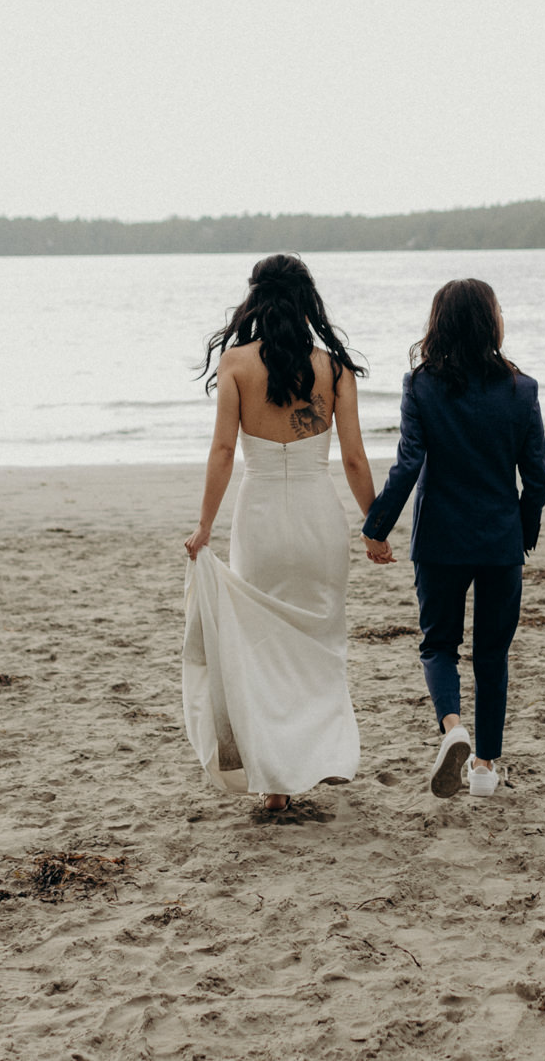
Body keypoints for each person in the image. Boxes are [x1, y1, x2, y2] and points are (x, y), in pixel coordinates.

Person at [180, 255, 376, 813]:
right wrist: (375, 527)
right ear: (307, 299)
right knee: (319, 643)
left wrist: (204, 527)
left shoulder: (237, 364)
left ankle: (276, 785)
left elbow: (222, 451)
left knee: (262, 646)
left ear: (256, 299)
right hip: (318, 517)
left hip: (259, 517)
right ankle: (312, 755)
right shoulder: (333, 369)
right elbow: (356, 460)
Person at [361, 278, 545, 799]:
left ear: (437, 324)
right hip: (498, 542)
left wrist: (376, 528)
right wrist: (523, 534)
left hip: (440, 539)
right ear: (491, 322)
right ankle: (485, 768)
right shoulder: (521, 389)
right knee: (492, 655)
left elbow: (408, 465)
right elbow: (536, 478)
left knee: (438, 644)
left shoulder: (420, 386)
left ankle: (453, 729)